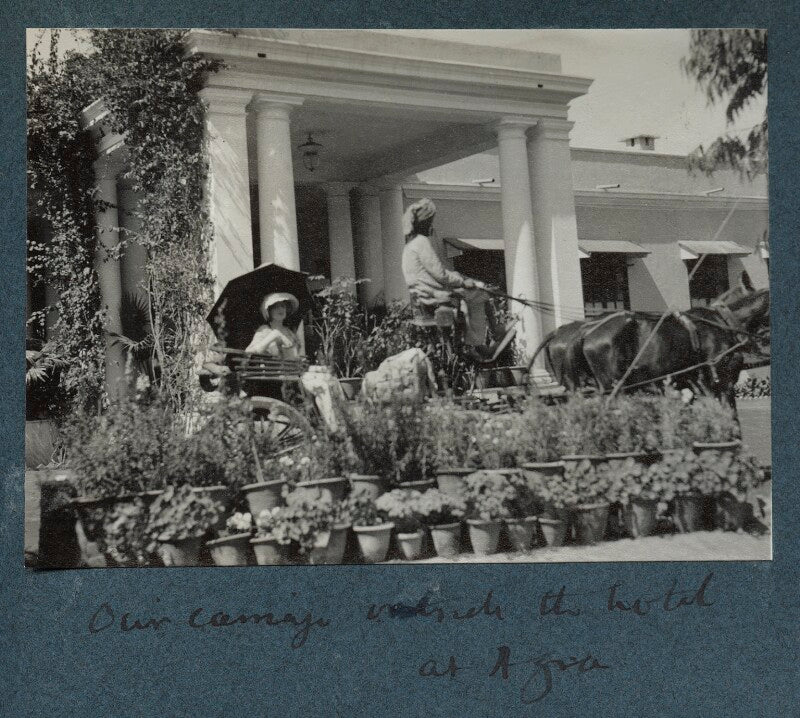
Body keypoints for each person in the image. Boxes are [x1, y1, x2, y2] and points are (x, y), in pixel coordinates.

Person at [401, 197, 507, 358]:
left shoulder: (409, 245)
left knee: (474, 289)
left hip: (423, 293)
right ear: (425, 222)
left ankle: (486, 335)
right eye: (431, 221)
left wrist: (460, 279)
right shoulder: (421, 242)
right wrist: (464, 282)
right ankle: (478, 344)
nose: (432, 225)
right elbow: (440, 274)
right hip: (433, 294)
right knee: (480, 294)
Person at [245, 292, 303, 358]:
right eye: (276, 307)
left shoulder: (289, 332)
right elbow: (249, 352)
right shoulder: (265, 330)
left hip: (290, 367)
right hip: (271, 367)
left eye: (283, 306)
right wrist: (273, 336)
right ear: (269, 311)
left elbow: (295, 356)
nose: (280, 309)